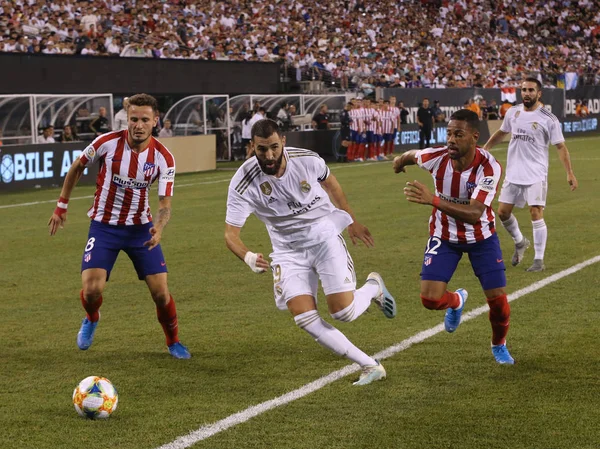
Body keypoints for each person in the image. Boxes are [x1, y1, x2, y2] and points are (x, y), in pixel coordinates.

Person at [225, 119, 397, 385]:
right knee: (304, 318)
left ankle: (373, 287)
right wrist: (248, 257)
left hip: (324, 237)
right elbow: (230, 234)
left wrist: (350, 220)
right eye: (261, 149)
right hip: (287, 251)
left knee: (344, 313)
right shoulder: (244, 181)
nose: (269, 155)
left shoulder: (307, 160)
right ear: (252, 147)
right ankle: (369, 365)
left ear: (283, 141)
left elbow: (333, 186)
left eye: (273, 147)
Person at [47, 93, 190, 359]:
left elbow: (165, 203)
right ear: (127, 119)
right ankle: (91, 317)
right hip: (104, 227)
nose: (138, 125)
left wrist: (159, 227)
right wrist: (61, 206)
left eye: (144, 120)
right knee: (92, 290)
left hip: (141, 230)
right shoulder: (106, 142)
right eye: (133, 119)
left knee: (161, 293)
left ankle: (174, 342)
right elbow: (77, 167)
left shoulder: (164, 157)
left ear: (155, 121)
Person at [392, 109, 514, 365]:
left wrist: (433, 200)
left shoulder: (488, 166)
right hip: (444, 235)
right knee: (429, 299)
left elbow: (474, 213)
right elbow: (413, 155)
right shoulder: (436, 157)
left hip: (481, 237)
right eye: (448, 133)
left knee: (499, 304)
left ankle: (498, 344)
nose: (451, 140)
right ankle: (457, 301)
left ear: (474, 137)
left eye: (459, 134)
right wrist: (399, 161)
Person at [483, 78, 578, 272]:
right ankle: (520, 242)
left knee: (535, 212)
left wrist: (570, 172)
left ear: (539, 93)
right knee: (502, 212)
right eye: (524, 90)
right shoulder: (513, 112)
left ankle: (538, 260)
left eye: (531, 90)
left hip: (536, 173)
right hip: (513, 172)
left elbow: (560, 147)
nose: (526, 93)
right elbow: (502, 132)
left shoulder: (548, 118)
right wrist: (485, 149)